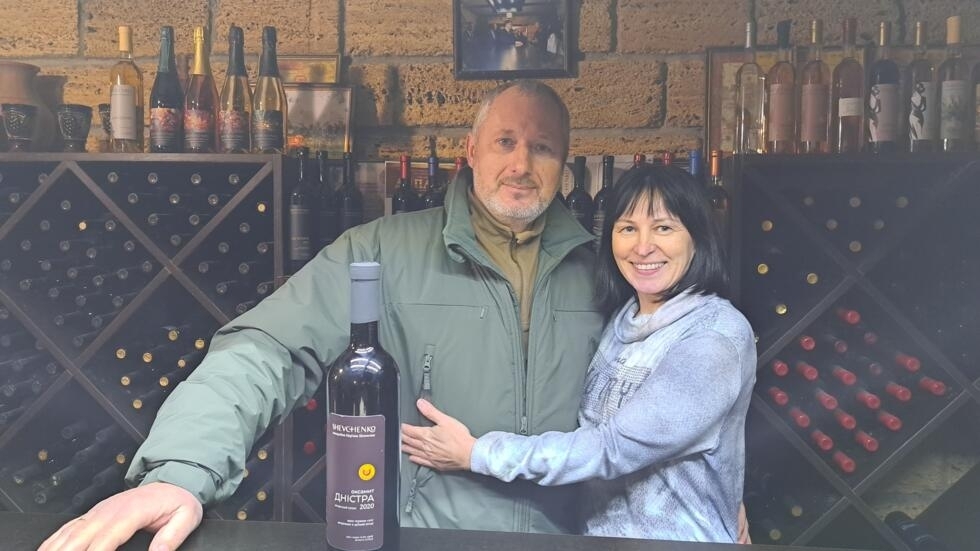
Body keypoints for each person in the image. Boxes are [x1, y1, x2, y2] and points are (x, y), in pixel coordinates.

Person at [39, 80, 604, 550]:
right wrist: (181, 473)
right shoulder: (380, 251)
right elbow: (266, 350)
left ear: (565, 164)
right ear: (472, 150)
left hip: (574, 541)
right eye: (505, 141)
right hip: (433, 539)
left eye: (544, 147)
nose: (522, 163)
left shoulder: (605, 271)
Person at [402, 164, 757, 543]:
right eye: (627, 228)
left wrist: (477, 453)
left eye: (664, 228)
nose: (643, 246)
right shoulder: (623, 319)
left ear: (697, 238)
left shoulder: (712, 337)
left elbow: (612, 448)